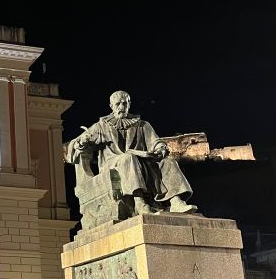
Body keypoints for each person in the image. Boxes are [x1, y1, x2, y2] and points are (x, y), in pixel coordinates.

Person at [66, 90, 197, 216]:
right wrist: (82, 142)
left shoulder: (142, 125)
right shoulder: (101, 126)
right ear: (111, 106)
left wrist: (161, 148)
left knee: (167, 161)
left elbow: (156, 141)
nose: (122, 107)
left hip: (141, 160)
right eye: (118, 104)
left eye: (125, 103)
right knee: (128, 158)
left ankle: (175, 201)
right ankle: (139, 203)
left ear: (129, 104)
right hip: (112, 163)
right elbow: (73, 147)